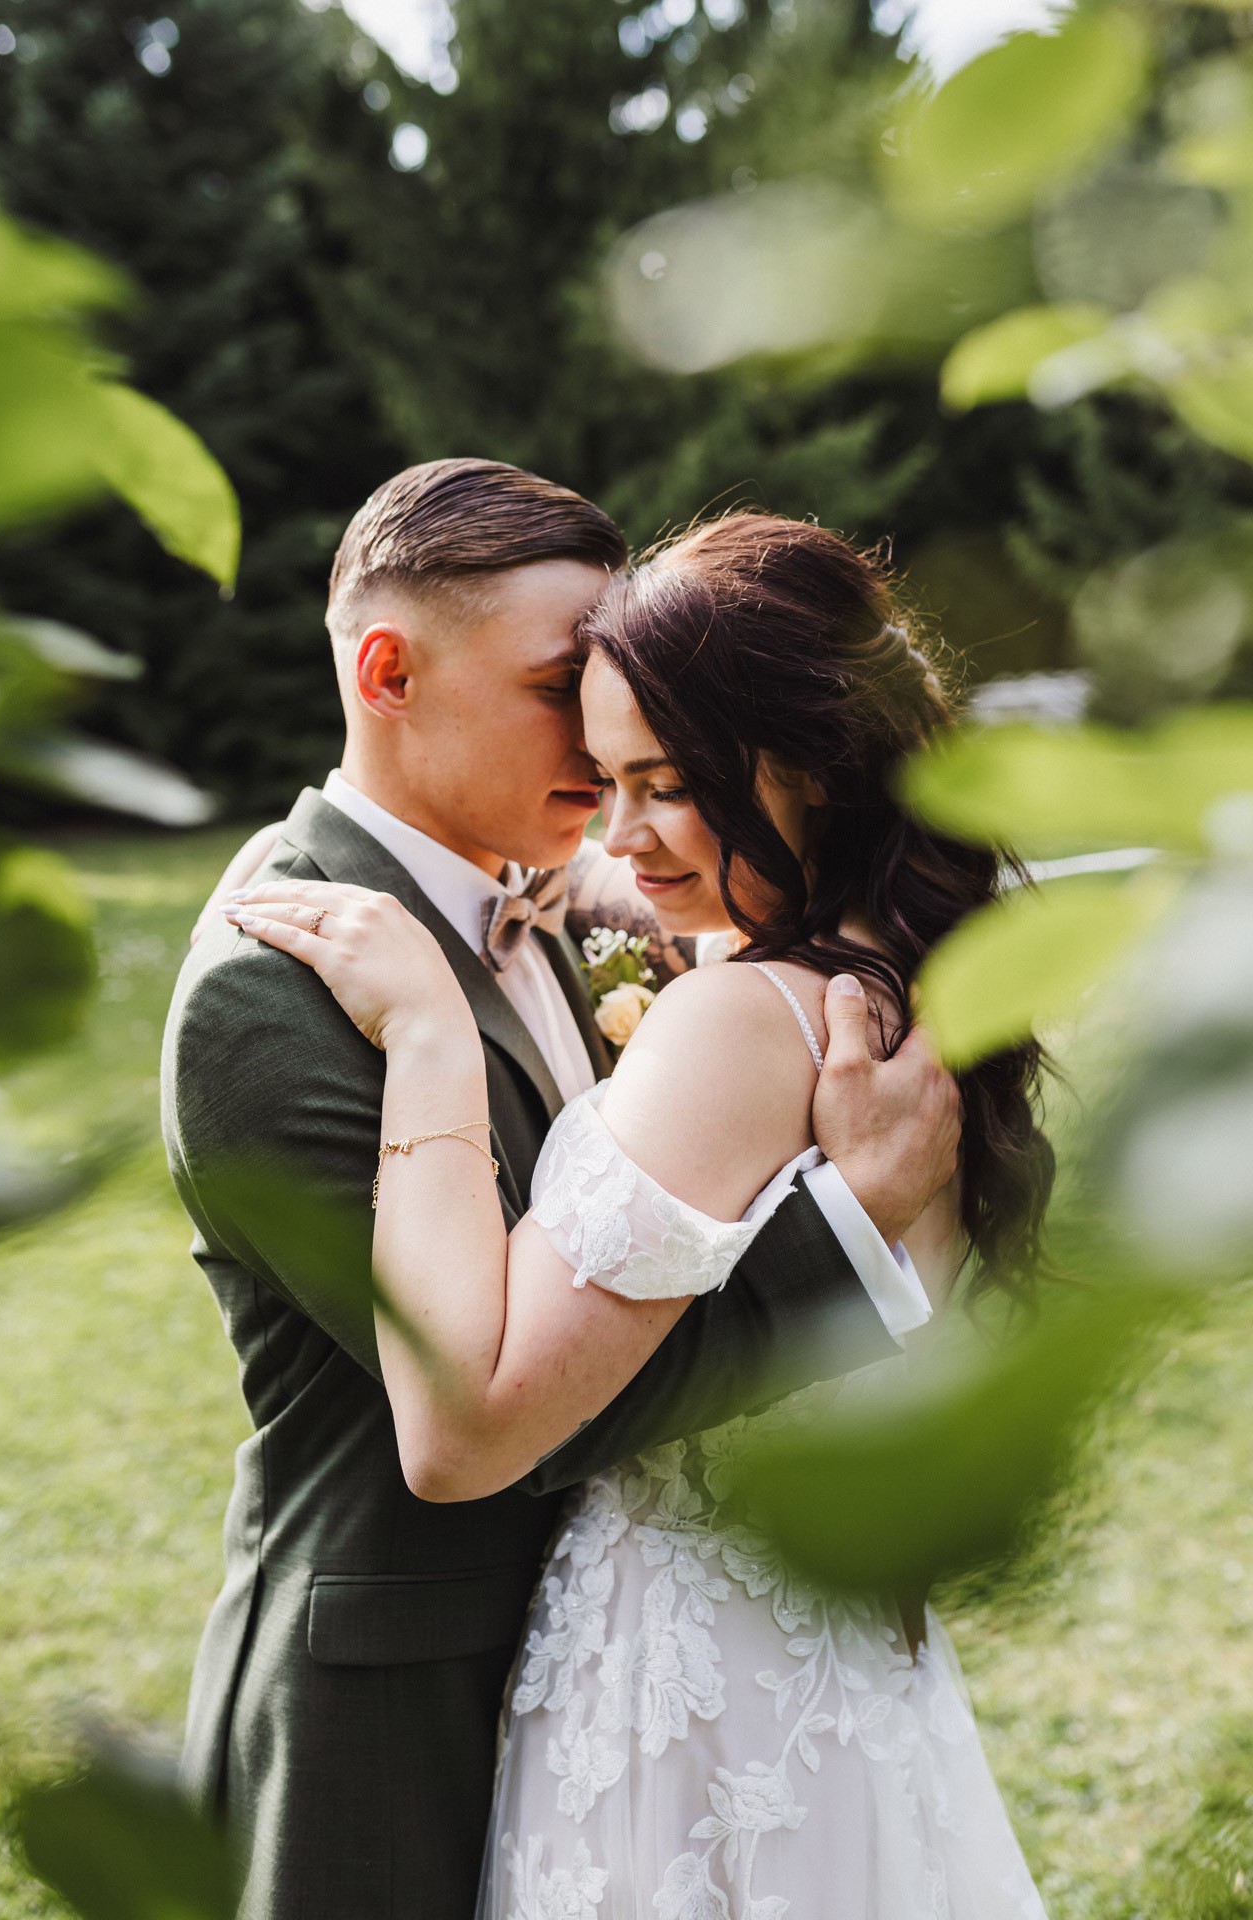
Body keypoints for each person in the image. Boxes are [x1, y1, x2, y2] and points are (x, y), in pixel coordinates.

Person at [162, 462, 961, 1920]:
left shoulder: (590, 902)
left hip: (624, 1686)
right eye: (559, 687)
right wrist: (845, 1246)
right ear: (388, 670)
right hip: (402, 1705)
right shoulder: (272, 1000)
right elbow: (505, 1423)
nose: (604, 746)